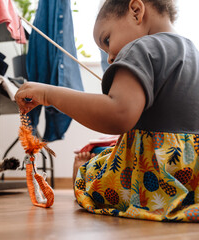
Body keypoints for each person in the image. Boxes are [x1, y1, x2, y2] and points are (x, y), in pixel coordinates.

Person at [15, 0, 199, 222]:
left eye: (107, 40)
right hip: (192, 178)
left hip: (158, 180)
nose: (110, 57)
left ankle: (82, 176)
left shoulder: (140, 47)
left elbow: (118, 115)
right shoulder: (192, 51)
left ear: (136, 10)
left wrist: (49, 94)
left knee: (91, 172)